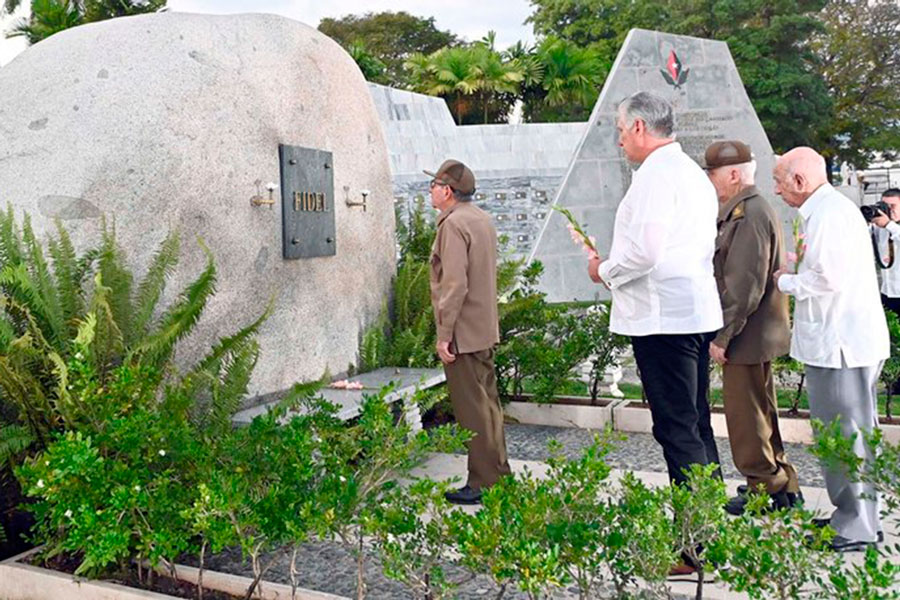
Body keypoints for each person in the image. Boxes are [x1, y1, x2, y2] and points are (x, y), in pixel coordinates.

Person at [587, 91, 723, 486]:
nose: (620, 140)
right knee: (696, 422)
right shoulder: (691, 172)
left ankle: (696, 539)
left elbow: (645, 253)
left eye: (621, 130)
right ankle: (708, 528)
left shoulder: (655, 175)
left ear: (639, 127)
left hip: (664, 319)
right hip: (692, 312)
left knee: (677, 428)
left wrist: (603, 270)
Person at [773, 147, 888, 552]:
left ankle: (857, 524)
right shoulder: (825, 212)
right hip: (837, 343)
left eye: (780, 181)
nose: (777, 190)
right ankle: (853, 514)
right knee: (839, 435)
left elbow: (828, 279)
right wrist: (797, 267)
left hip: (843, 345)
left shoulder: (829, 215)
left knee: (847, 436)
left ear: (800, 181)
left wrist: (784, 282)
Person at [703, 140, 801, 515]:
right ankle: (779, 481)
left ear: (732, 174)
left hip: (747, 333)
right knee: (760, 410)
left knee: (746, 416)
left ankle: (764, 487)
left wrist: (723, 336)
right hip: (756, 330)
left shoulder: (748, 213)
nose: (712, 183)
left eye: (713, 175)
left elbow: (743, 284)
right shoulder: (745, 211)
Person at [427, 158, 511, 505]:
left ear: (447, 190)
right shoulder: (480, 219)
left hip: (462, 333)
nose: (430, 191)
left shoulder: (453, 225)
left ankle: (483, 482)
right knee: (488, 406)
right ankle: (498, 474)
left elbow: (455, 284)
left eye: (432, 185)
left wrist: (444, 334)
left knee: (473, 411)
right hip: (483, 329)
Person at [869, 188, 900, 315]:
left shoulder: (889, 226)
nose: (889, 210)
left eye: (893, 206)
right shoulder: (880, 228)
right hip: (886, 291)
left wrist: (889, 224)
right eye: (885, 206)